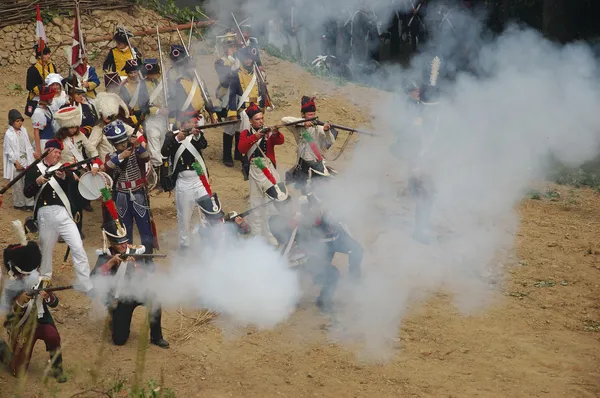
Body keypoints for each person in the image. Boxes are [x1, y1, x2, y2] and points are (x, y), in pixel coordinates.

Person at [92, 197, 168, 348]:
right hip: (120, 298)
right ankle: (114, 318)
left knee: (155, 301)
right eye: (120, 244)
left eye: (125, 242)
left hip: (136, 290)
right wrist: (111, 263)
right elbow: (94, 278)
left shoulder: (135, 251)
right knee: (119, 341)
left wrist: (135, 265)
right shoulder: (105, 256)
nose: (124, 245)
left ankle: (156, 337)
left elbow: (145, 274)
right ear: (112, 243)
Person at [269, 193, 363, 312]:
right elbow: (283, 236)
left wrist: (316, 217)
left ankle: (323, 302)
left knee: (332, 273)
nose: (287, 207)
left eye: (287, 203)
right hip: (289, 265)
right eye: (282, 205)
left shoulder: (302, 215)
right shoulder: (274, 220)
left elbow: (315, 228)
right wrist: (295, 222)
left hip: (305, 260)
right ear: (277, 207)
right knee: (289, 299)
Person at [23, 139, 94, 293]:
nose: (58, 155)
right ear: (47, 151)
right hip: (44, 213)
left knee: (77, 246)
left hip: (63, 213)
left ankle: (86, 281)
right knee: (46, 251)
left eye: (60, 153)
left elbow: (71, 182)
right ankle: (44, 279)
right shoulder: (34, 169)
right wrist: (37, 182)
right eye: (56, 152)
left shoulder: (62, 169)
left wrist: (63, 176)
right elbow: (27, 193)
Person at [2, 238, 66, 382]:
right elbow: (9, 316)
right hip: (23, 327)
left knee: (53, 336)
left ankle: (57, 368)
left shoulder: (41, 280)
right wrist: (19, 302)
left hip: (42, 321)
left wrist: (48, 296)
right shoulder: (11, 287)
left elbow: (55, 302)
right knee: (18, 372)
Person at [103, 120, 157, 254]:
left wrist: (137, 145)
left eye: (123, 140)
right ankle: (128, 258)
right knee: (125, 229)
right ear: (113, 144)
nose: (122, 143)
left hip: (138, 192)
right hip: (121, 195)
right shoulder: (111, 156)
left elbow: (145, 158)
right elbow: (107, 168)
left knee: (145, 227)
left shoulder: (136, 151)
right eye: (118, 142)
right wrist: (121, 157)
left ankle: (148, 257)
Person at [237, 103, 287, 241]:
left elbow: (280, 141)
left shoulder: (268, 130)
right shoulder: (246, 133)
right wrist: (257, 136)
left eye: (261, 118)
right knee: (256, 203)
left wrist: (275, 133)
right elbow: (241, 148)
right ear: (251, 121)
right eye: (257, 119)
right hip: (254, 169)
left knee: (272, 202)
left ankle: (271, 233)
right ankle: (257, 235)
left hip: (269, 168)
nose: (261, 121)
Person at [160, 115, 208, 250]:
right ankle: (185, 243)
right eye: (189, 122)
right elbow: (164, 152)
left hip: (199, 180)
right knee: (184, 216)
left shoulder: (196, 134)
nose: (191, 124)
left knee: (206, 211)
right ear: (182, 124)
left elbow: (203, 145)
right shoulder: (171, 136)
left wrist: (198, 136)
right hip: (183, 181)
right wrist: (176, 139)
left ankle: (205, 238)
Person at [54, 106, 102, 221]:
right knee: (70, 201)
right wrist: (66, 171)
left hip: (81, 169)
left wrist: (95, 165)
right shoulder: (57, 140)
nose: (73, 130)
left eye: (75, 127)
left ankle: (78, 227)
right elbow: (56, 160)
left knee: (79, 202)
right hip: (66, 173)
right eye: (71, 127)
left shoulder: (80, 135)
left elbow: (92, 151)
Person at [281, 96, 337, 192]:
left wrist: (327, 131)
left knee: (320, 190)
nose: (312, 117)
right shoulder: (297, 127)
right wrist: (303, 123)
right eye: (309, 114)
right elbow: (284, 120)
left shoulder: (319, 128)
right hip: (302, 163)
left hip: (316, 163)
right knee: (304, 192)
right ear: (303, 115)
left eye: (313, 114)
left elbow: (331, 141)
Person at [226, 47, 265, 171]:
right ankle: (227, 156)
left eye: (250, 59)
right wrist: (232, 112)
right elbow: (232, 94)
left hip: (255, 108)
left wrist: (262, 107)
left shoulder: (258, 74)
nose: (248, 61)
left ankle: (241, 154)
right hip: (242, 108)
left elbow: (262, 92)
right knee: (231, 131)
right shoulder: (235, 74)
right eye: (246, 59)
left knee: (248, 132)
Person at [214, 33, 241, 167]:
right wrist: (232, 60)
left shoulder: (240, 59)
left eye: (233, 46)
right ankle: (226, 155)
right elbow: (226, 78)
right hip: (227, 94)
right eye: (229, 46)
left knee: (240, 124)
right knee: (230, 125)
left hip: (241, 95)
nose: (231, 48)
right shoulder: (220, 62)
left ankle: (238, 152)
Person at [90, 92, 140, 162]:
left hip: (123, 160)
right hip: (108, 163)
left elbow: (133, 132)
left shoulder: (119, 123)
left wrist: (141, 141)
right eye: (106, 114)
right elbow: (90, 148)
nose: (108, 117)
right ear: (101, 114)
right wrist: (97, 163)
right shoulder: (98, 129)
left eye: (111, 115)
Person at [140, 59, 169, 174]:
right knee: (154, 148)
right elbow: (143, 106)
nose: (152, 76)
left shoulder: (161, 82)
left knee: (163, 144)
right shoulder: (141, 85)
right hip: (151, 119)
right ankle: (155, 174)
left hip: (164, 118)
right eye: (150, 74)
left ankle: (163, 175)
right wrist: (158, 111)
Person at [3, 109, 35, 211]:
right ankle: (19, 203)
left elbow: (28, 145)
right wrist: (16, 162)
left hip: (26, 159)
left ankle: (29, 203)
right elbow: (8, 150)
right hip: (16, 162)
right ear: (12, 122)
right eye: (17, 121)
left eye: (21, 120)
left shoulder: (23, 130)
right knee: (17, 185)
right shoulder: (9, 134)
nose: (20, 123)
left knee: (28, 182)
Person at [25, 44, 58, 117]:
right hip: (37, 97)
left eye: (49, 53)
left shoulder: (52, 66)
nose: (49, 56)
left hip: (52, 96)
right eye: (46, 54)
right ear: (40, 56)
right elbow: (30, 87)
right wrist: (44, 90)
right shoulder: (32, 70)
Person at [31, 85, 55, 160]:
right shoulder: (38, 112)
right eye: (51, 97)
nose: (52, 99)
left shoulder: (47, 108)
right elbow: (36, 131)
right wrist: (38, 150)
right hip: (43, 143)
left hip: (50, 141)